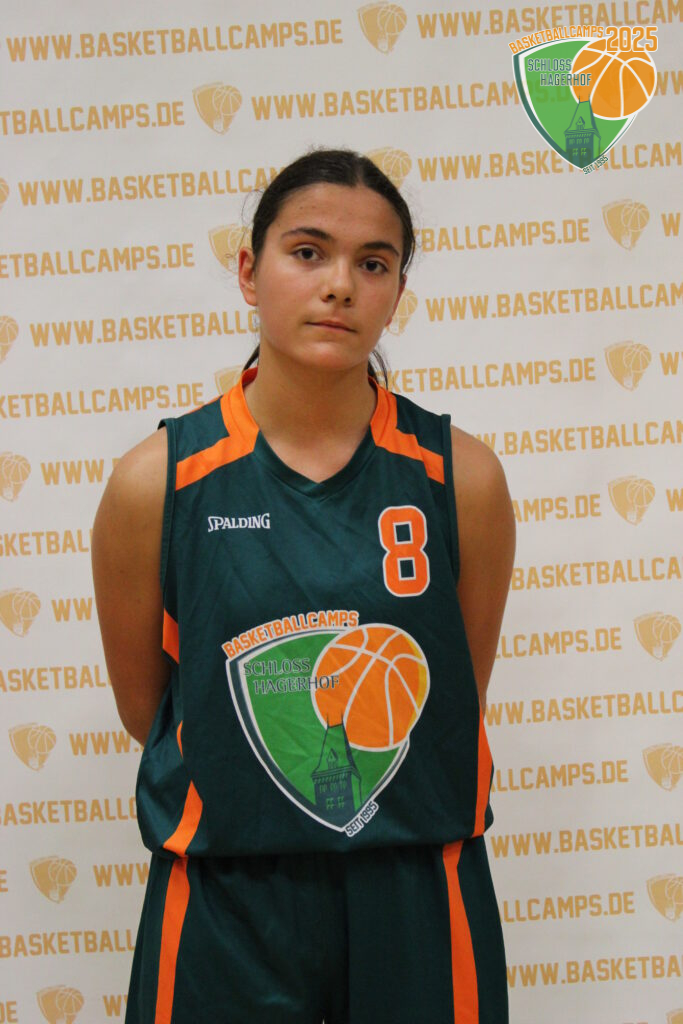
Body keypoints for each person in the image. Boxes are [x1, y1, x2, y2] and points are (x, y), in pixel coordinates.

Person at [92, 148, 516, 1024]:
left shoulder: (460, 477)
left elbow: (449, 688)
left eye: (374, 264)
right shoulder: (156, 481)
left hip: (418, 883)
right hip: (226, 893)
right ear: (250, 273)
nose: (340, 286)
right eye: (308, 252)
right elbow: (151, 709)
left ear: (397, 291)